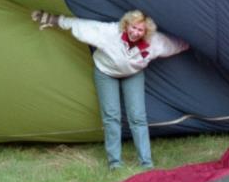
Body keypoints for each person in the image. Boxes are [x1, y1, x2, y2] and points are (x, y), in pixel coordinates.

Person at [31, 9, 189, 169]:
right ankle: (115, 163)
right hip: (105, 73)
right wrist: (51, 19)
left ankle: (146, 162)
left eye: (140, 30)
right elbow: (81, 26)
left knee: (137, 117)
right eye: (133, 27)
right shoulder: (109, 32)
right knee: (111, 117)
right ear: (126, 25)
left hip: (133, 74)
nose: (135, 32)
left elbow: (174, 45)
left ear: (146, 32)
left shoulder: (154, 41)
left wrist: (193, 42)